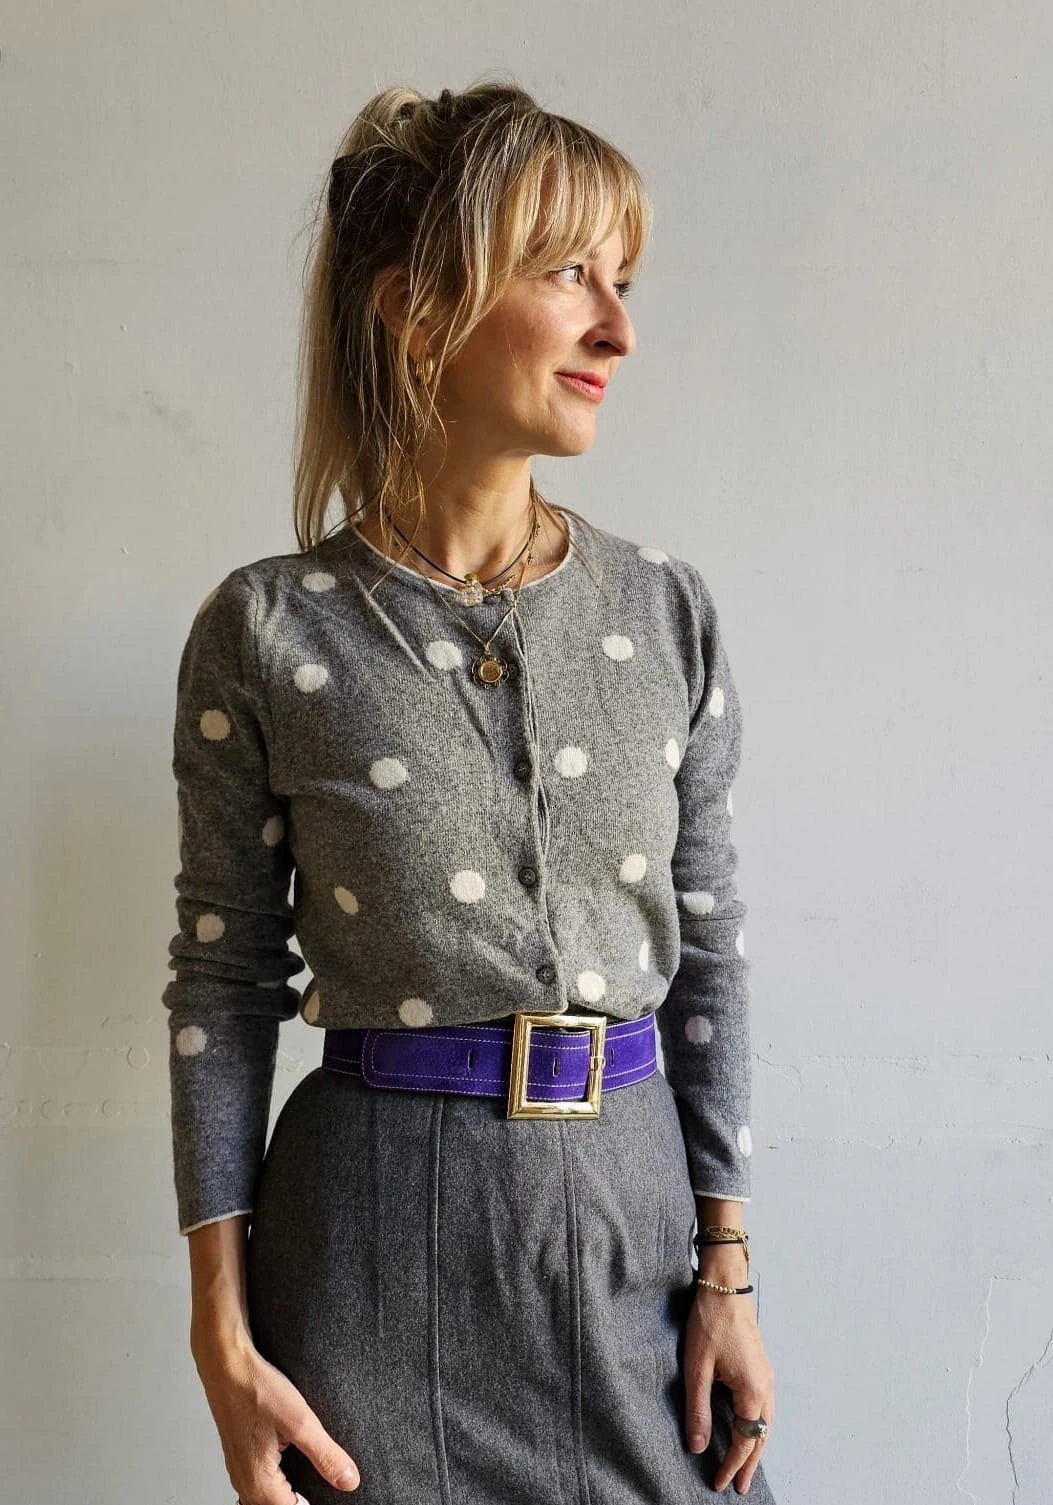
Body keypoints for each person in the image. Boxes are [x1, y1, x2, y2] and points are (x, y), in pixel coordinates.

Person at [163, 78, 778, 1505]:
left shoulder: (665, 614)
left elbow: (710, 958)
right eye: (569, 273)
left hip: (635, 1243)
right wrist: (221, 1340)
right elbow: (223, 986)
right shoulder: (268, 632)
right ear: (416, 308)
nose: (618, 329)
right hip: (368, 1265)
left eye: (623, 282)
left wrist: (730, 1269)